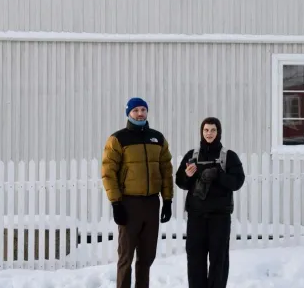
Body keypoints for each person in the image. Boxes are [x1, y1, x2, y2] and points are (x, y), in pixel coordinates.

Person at [101, 97, 174, 288]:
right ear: (128, 113)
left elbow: (166, 169)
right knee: (126, 257)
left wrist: (167, 200)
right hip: (128, 204)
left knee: (147, 256)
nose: (140, 113)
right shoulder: (118, 139)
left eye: (143, 110)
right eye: (135, 110)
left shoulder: (157, 138)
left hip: (152, 204)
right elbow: (108, 172)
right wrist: (116, 203)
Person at [175, 117, 245, 288]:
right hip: (196, 217)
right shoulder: (192, 155)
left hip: (219, 218)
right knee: (195, 258)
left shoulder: (228, 156)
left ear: (218, 132)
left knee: (218, 259)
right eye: (206, 130)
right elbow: (180, 181)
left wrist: (219, 175)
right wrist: (188, 175)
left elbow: (237, 182)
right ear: (201, 132)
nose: (209, 133)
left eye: (213, 130)